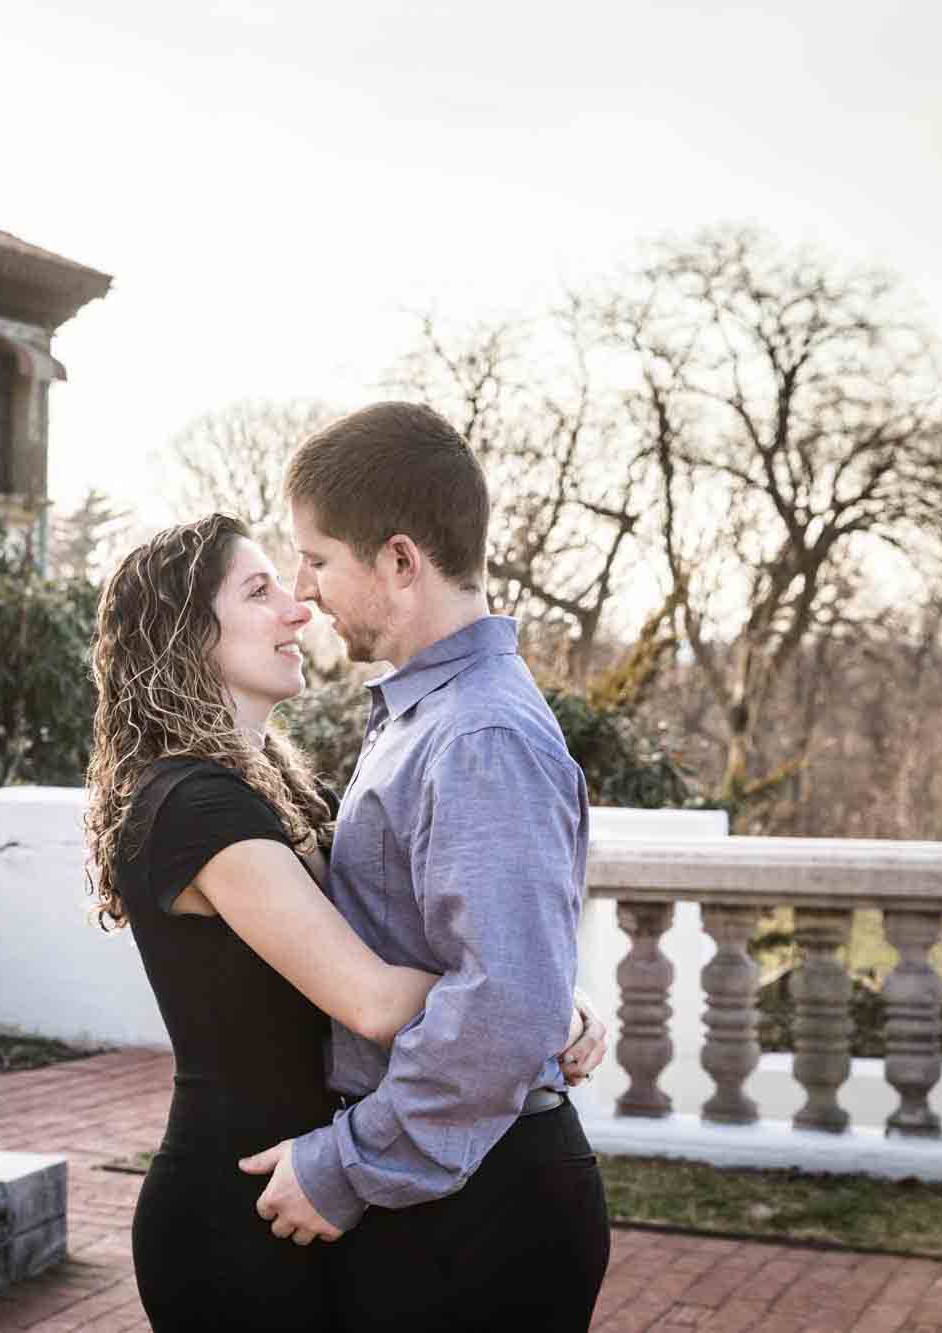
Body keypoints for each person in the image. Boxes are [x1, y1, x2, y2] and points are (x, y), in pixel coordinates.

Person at [84, 512, 605, 1333]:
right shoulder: (193, 805)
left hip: (308, 1197)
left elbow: (412, 944)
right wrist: (540, 1000)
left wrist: (538, 989)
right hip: (238, 1207)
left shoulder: (280, 793)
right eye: (259, 590)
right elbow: (367, 995)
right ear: (183, 635)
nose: (297, 605)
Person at [239, 401, 612, 1331]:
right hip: (453, 1195)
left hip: (479, 1215)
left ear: (401, 561)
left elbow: (505, 1000)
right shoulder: (430, 717)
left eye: (319, 558)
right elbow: (496, 967)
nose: (304, 588)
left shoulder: (478, 733)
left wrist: (346, 1165)